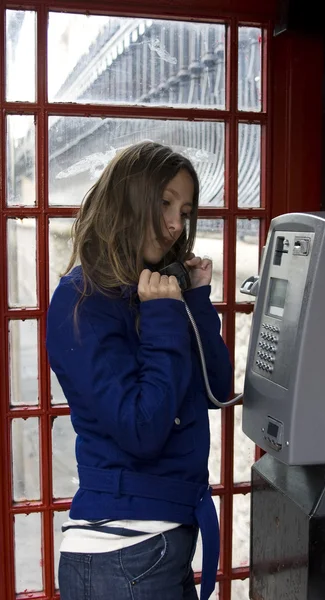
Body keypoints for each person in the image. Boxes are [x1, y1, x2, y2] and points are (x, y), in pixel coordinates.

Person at [46, 141, 233, 600]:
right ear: (129, 199)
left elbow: (218, 391)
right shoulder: (82, 301)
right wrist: (166, 316)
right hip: (123, 558)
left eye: (186, 211)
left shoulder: (151, 290)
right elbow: (141, 428)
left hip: (156, 549)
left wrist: (195, 302)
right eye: (165, 204)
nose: (176, 225)